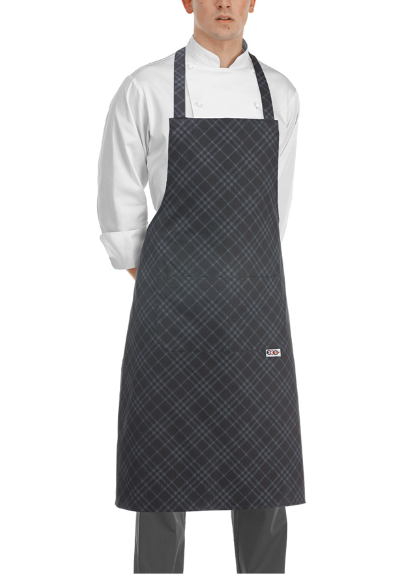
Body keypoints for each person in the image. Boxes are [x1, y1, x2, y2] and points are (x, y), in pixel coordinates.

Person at [97, 0, 306, 574]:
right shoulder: (145, 87)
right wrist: (161, 276)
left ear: (253, 3)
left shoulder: (281, 93)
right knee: (161, 468)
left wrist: (245, 272)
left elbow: (274, 211)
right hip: (170, 310)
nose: (224, 4)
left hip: (256, 306)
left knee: (263, 465)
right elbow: (119, 199)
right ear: (187, 2)